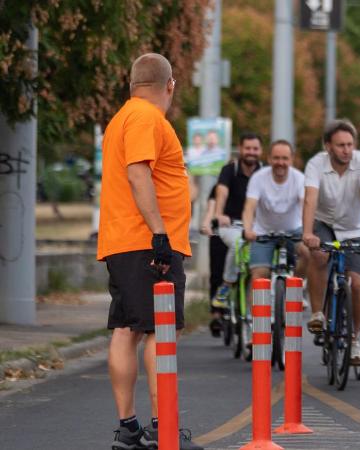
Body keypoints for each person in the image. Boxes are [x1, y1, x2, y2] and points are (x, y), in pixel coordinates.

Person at [97, 53, 202, 450]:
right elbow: (138, 172)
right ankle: (164, 428)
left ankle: (129, 429)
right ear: (170, 85)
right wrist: (160, 233)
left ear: (131, 82)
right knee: (160, 331)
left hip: (126, 241)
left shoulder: (122, 117)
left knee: (128, 329)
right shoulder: (145, 118)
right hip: (148, 243)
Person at [302, 119, 360, 366]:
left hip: (354, 228)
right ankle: (317, 312)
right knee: (319, 255)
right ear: (328, 146)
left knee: (357, 283)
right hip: (324, 223)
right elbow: (310, 200)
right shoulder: (316, 164)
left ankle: (355, 338)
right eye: (340, 145)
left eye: (350, 144)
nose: (346, 150)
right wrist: (307, 233)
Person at [242, 140, 309, 281]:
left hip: (294, 231)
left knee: (308, 253)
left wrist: (309, 232)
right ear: (269, 159)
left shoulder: (299, 179)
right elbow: (249, 207)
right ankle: (259, 303)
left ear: (291, 160)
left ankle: (297, 289)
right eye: (276, 158)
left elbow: (306, 206)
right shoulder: (258, 178)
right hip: (264, 232)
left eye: (285, 158)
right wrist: (248, 230)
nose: (280, 162)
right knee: (259, 276)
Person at [212, 133, 263, 306]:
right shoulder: (229, 170)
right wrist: (219, 214)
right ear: (240, 149)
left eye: (255, 149)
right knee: (238, 243)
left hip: (257, 227)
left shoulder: (264, 172)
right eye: (248, 148)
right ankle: (226, 286)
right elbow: (221, 192)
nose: (251, 152)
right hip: (232, 225)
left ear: (261, 151)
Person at [199, 183, 229, 337]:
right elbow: (211, 208)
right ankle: (216, 315)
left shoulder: (256, 182)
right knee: (217, 275)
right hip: (219, 234)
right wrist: (206, 224)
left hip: (245, 234)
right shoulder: (219, 186)